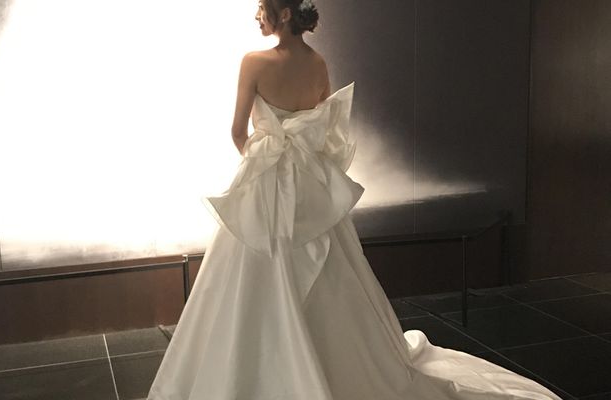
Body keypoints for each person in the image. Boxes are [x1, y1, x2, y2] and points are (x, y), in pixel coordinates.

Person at [147, 1, 562, 399]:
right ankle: (337, 365)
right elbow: (326, 133)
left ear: (285, 13)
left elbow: (238, 132)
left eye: (262, 7)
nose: (257, 15)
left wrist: (262, 167)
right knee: (331, 275)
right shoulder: (318, 64)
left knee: (252, 275)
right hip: (310, 187)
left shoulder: (254, 62)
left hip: (266, 184)